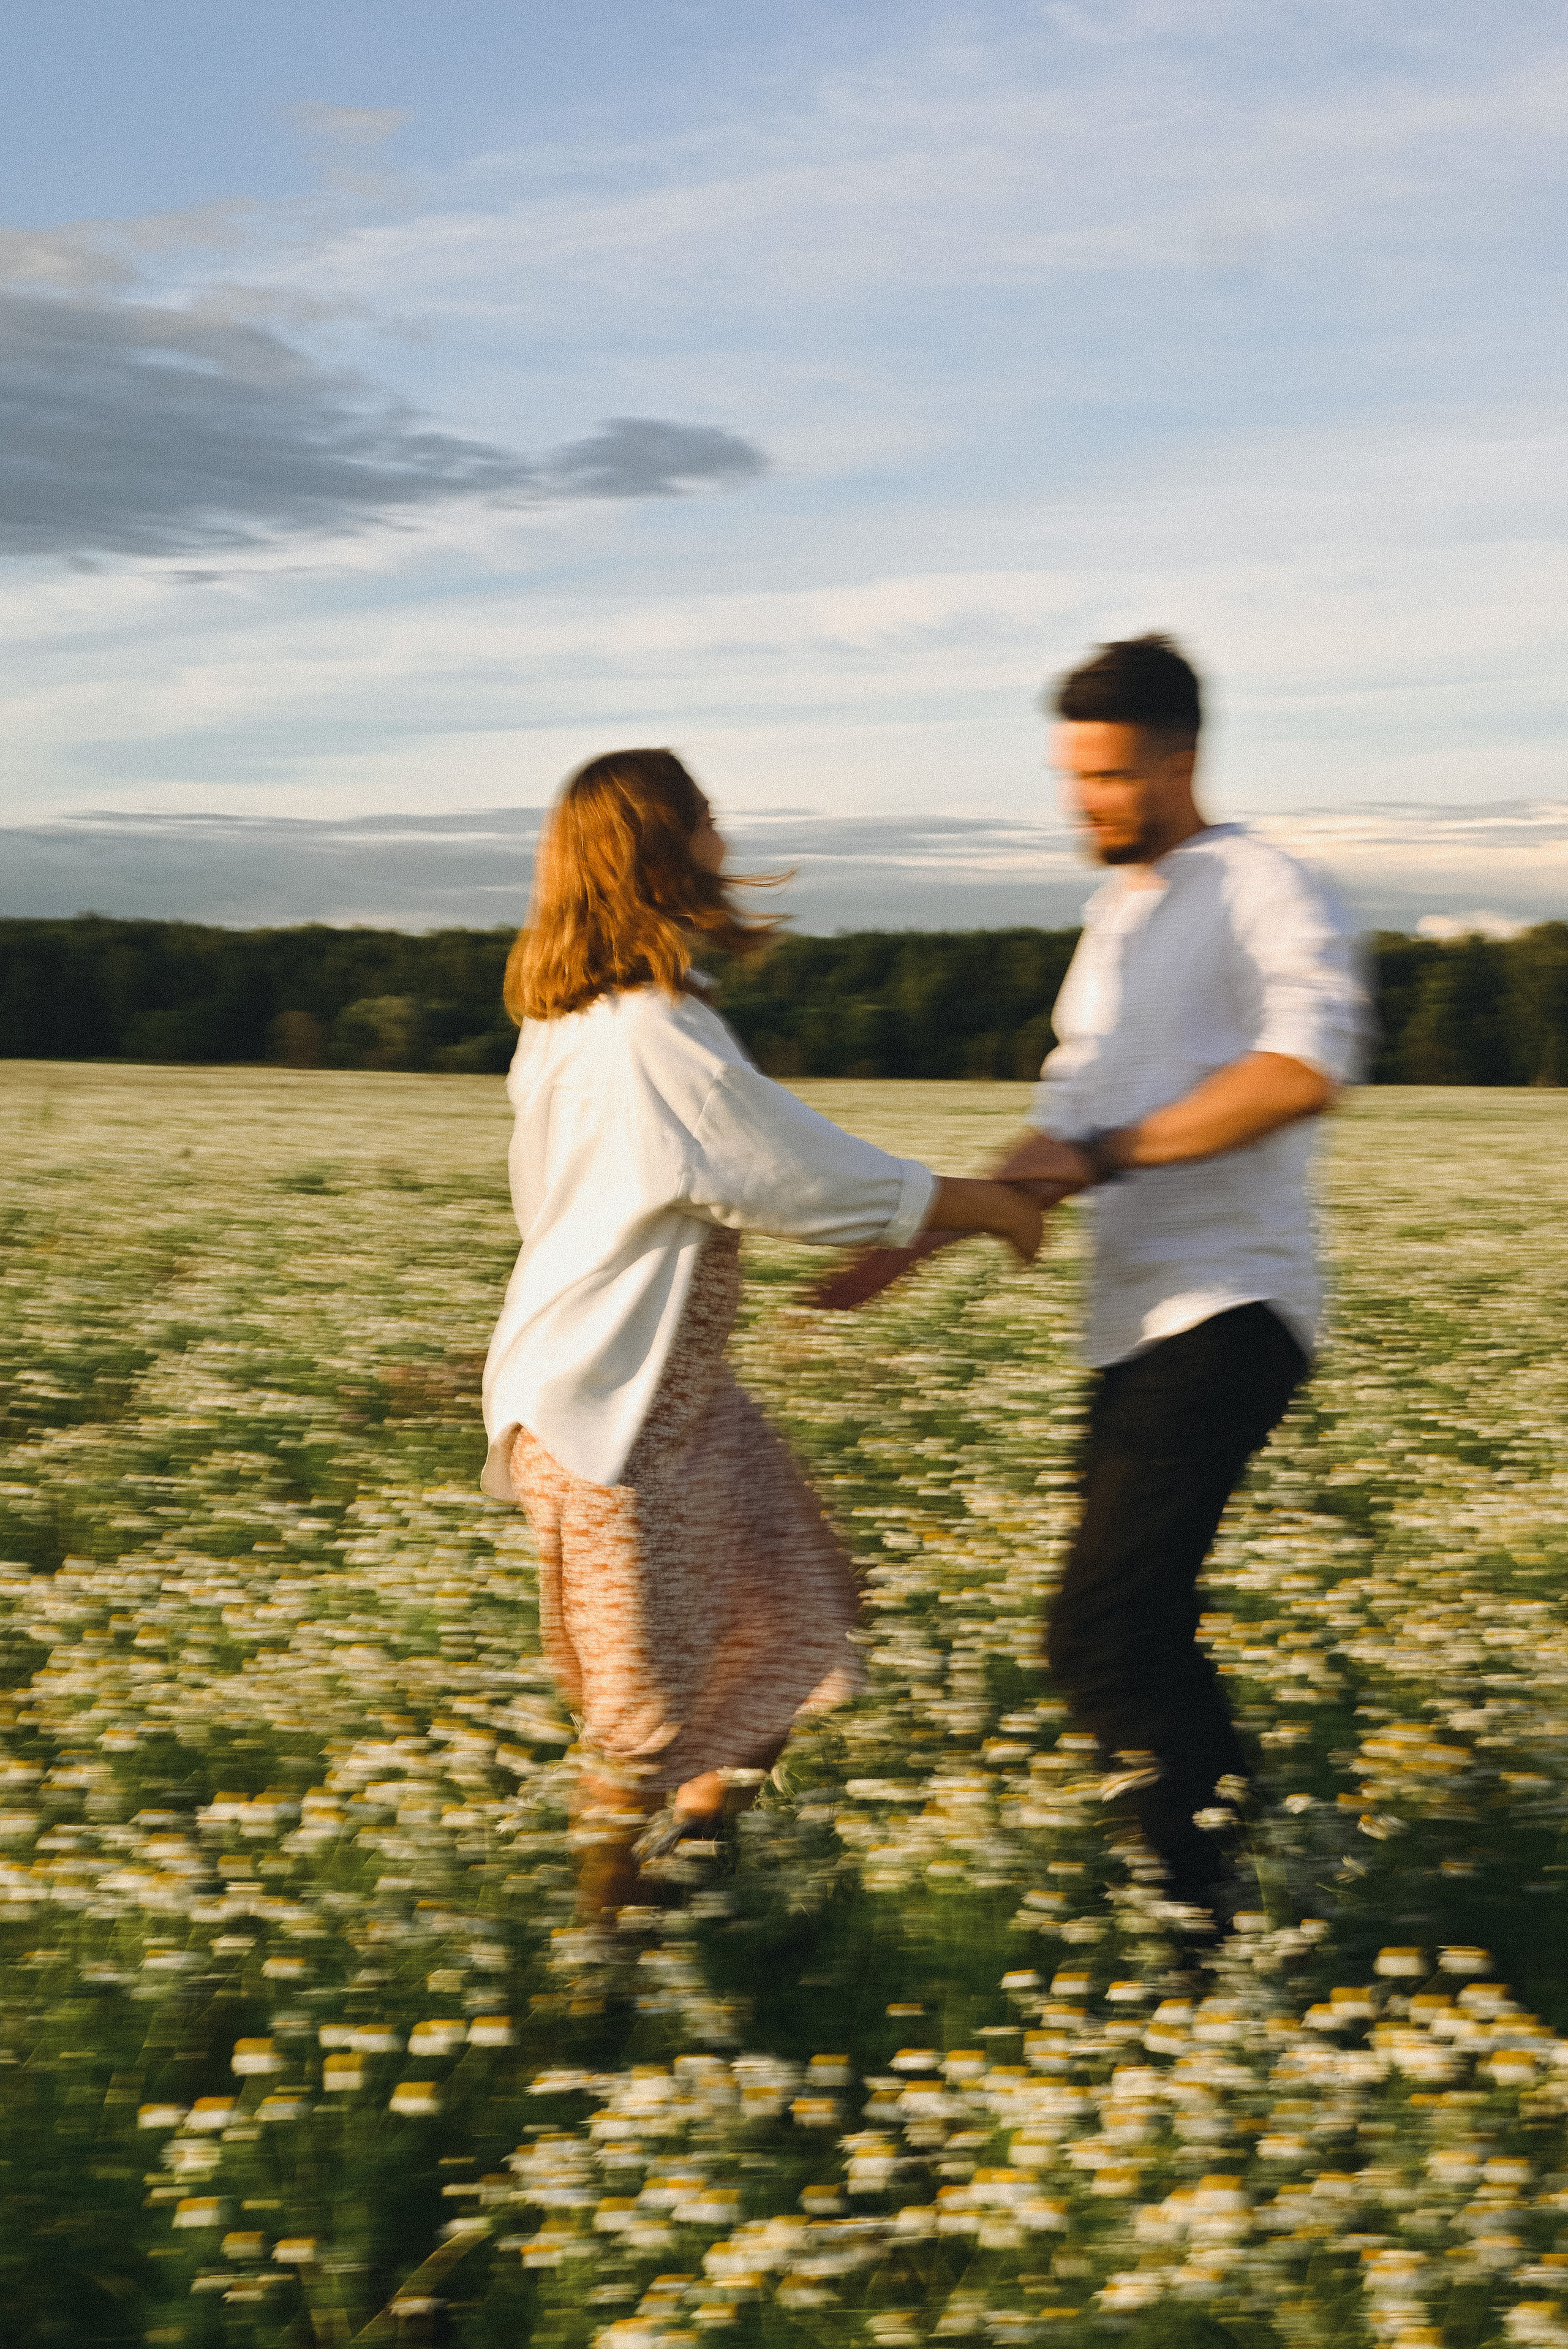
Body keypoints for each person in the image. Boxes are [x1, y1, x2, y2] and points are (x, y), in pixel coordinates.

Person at [818, 637, 1369, 1931]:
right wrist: (911, 1242)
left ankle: (1208, 1932)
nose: (1088, 803)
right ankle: (1221, 1889)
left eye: (1112, 777)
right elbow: (1058, 1131)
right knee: (1134, 1631)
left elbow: (1301, 1069)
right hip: (1133, 1329)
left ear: (1180, 759)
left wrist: (1108, 1153)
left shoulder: (1266, 885)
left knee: (1102, 1635)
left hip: (1228, 1311)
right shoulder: (1116, 917)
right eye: (1073, 777)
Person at [480, 749, 1041, 1915]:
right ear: (661, 848)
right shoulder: (643, 1032)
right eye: (708, 823)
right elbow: (787, 1176)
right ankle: (606, 1948)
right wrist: (976, 1206)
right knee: (641, 1708)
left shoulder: (587, 1024)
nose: (727, 845)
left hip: (673, 1402)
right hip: (614, 1419)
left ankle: (697, 1858)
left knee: (799, 1607)